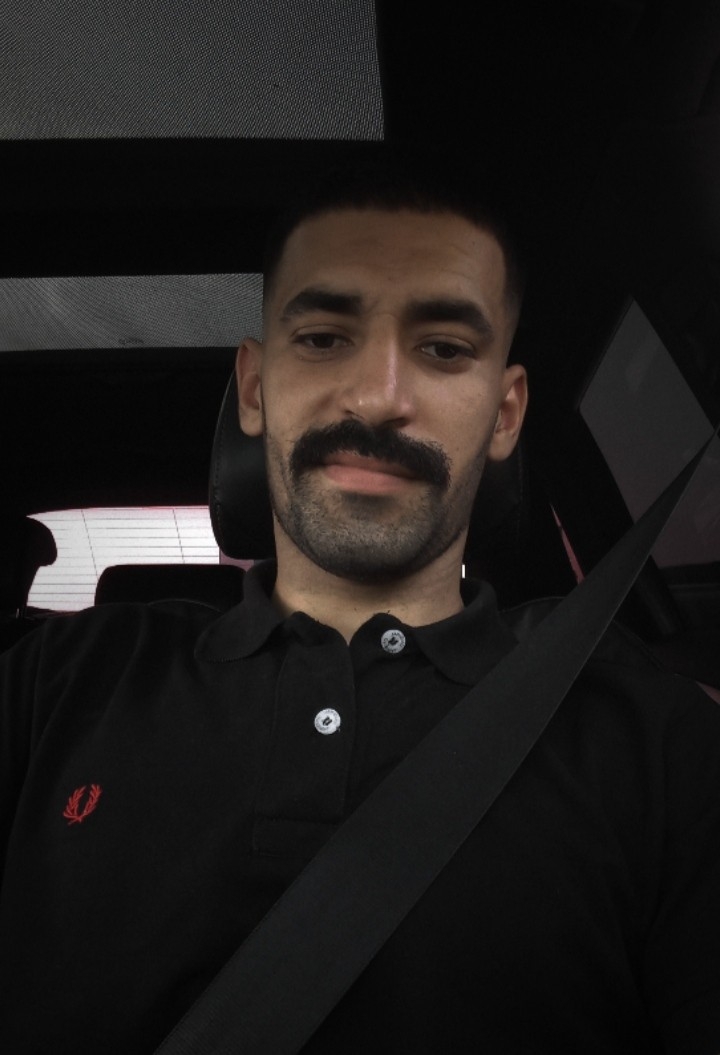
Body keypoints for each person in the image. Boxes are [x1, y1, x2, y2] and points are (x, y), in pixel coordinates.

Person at [1, 159, 720, 1054]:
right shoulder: (57, 685)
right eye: (322, 337)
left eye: (444, 348)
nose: (380, 397)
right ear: (255, 389)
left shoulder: (652, 740)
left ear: (505, 414)